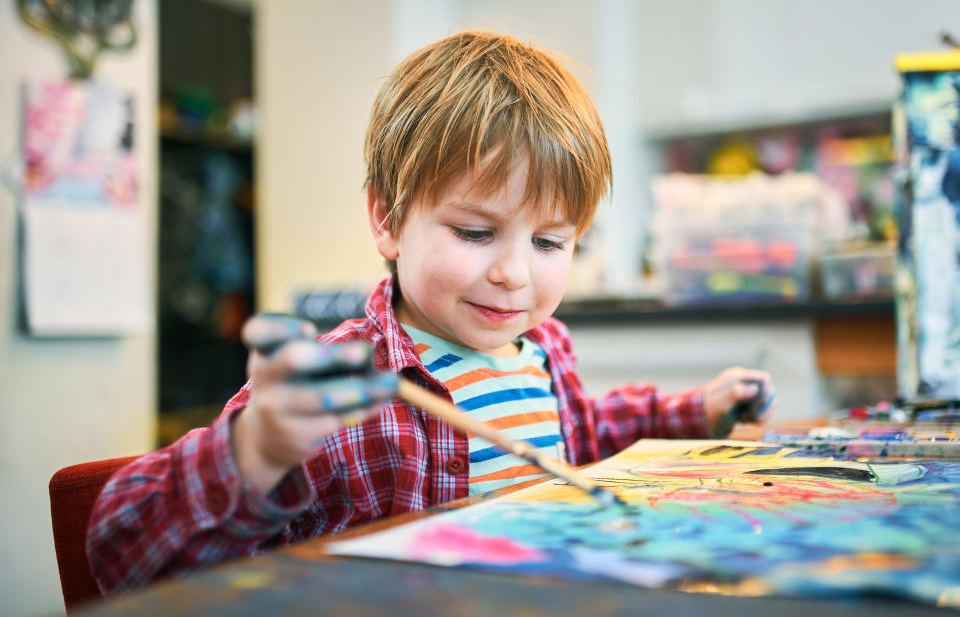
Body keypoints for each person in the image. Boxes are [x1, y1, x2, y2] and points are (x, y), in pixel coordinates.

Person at [87, 30, 775, 594]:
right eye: (475, 233)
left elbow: (592, 430)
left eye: (549, 241)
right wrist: (259, 450)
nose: (512, 273)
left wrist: (696, 410)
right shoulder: (348, 384)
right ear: (387, 218)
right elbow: (119, 549)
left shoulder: (544, 351)